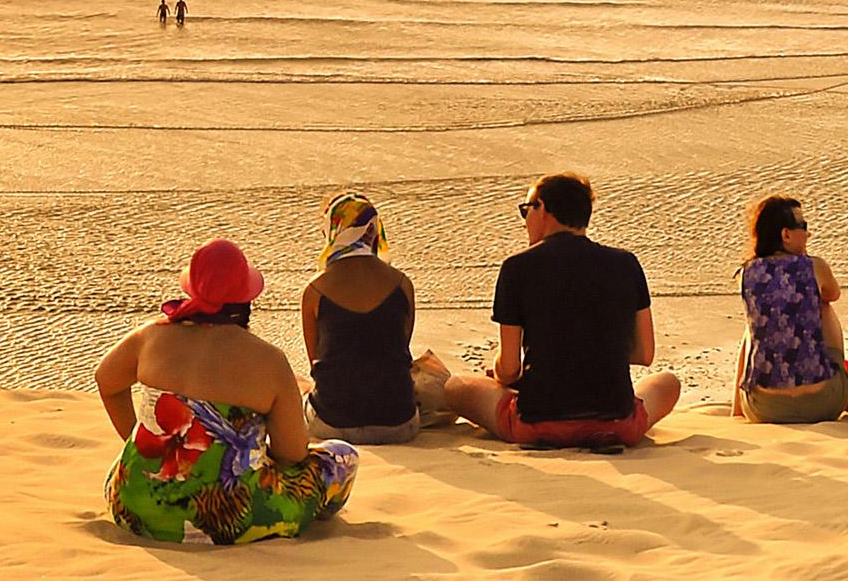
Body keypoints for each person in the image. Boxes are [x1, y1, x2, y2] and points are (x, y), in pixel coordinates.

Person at [97, 238, 360, 544]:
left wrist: (137, 439)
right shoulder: (269, 360)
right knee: (342, 457)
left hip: (131, 504)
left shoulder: (151, 336)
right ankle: (307, 524)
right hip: (228, 520)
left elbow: (106, 381)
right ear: (246, 300)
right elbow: (292, 454)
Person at [436, 173, 681, 447]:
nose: (525, 220)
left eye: (526, 210)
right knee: (668, 382)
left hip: (538, 423)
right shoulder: (626, 264)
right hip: (617, 423)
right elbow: (644, 354)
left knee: (455, 387)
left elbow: (508, 369)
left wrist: (498, 368)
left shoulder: (518, 267)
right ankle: (601, 426)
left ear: (542, 208)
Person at [300, 193, 443, 442]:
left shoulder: (315, 290)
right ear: (374, 230)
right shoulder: (402, 283)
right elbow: (400, 347)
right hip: (399, 424)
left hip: (333, 425)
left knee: (298, 383)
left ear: (332, 231)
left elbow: (316, 360)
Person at [734, 194, 848, 423]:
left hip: (764, 408)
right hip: (823, 403)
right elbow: (833, 294)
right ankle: (830, 381)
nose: (808, 234)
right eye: (803, 227)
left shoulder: (747, 272)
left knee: (757, 325)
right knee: (824, 305)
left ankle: (736, 409)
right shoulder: (815, 266)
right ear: (786, 234)